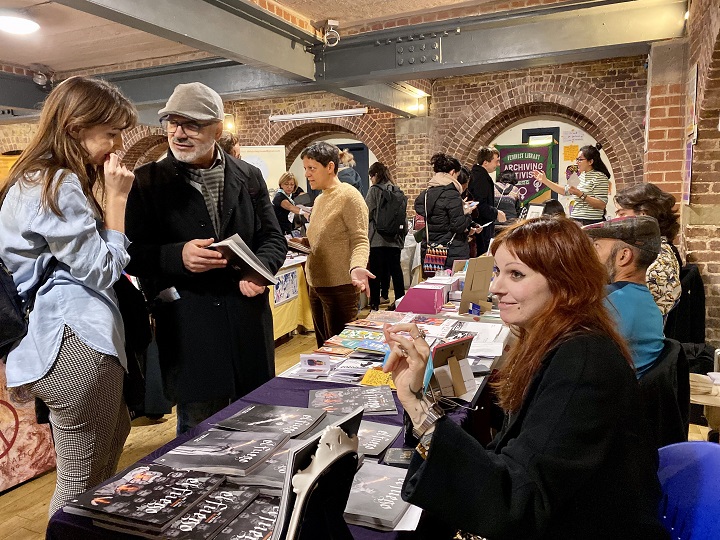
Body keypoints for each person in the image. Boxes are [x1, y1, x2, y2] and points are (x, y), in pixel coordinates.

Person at [382, 217, 666, 539]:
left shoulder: (583, 365)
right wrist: (417, 400)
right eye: (497, 272)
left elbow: (519, 502)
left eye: (515, 274)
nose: (495, 288)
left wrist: (419, 406)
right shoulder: (563, 342)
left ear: (565, 282)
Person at [0, 76, 137, 515]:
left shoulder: (35, 178)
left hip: (67, 343)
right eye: (111, 133)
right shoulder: (55, 182)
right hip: (75, 344)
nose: (118, 145)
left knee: (100, 464)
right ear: (76, 127)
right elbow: (102, 269)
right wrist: (116, 202)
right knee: (80, 486)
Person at [124, 82, 287, 435]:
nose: (179, 133)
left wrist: (261, 272)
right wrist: (176, 255)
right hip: (189, 329)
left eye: (192, 124)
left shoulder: (249, 176)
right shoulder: (146, 183)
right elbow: (129, 253)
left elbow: (272, 238)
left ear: (218, 127)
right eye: (172, 123)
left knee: (258, 427)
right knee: (199, 440)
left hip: (247, 323)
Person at [301, 142, 373, 347]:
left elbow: (360, 239)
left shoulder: (349, 196)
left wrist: (358, 266)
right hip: (316, 285)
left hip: (340, 286)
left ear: (330, 167)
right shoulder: (320, 199)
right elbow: (321, 238)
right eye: (306, 168)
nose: (307, 174)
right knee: (324, 350)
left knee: (342, 350)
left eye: (312, 168)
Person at [584, 216, 665, 377]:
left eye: (597, 247)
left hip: (608, 396)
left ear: (623, 256)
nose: (590, 256)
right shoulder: (644, 300)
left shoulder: (609, 301)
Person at [615, 182, 682, 316]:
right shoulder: (649, 250)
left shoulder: (658, 261)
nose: (616, 220)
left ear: (643, 215)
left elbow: (639, 314)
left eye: (621, 214)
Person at [414, 153, 474, 272]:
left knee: (435, 286)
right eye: (457, 175)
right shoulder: (452, 194)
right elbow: (459, 226)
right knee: (453, 288)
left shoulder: (426, 194)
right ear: (452, 172)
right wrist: (467, 213)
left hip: (432, 251)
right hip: (452, 251)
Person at [532, 143, 610, 225]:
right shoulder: (579, 175)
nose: (577, 162)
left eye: (580, 159)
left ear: (590, 162)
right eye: (577, 159)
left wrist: (580, 194)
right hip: (575, 218)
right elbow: (565, 190)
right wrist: (545, 180)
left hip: (590, 221)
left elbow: (601, 204)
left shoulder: (600, 176)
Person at [365, 161, 406, 311]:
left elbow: (366, 213)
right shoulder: (397, 190)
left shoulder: (374, 190)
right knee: (396, 271)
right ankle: (400, 301)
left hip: (377, 239)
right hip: (395, 239)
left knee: (375, 272)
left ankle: (375, 304)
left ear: (375, 175)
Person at [469, 146, 507, 254]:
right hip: (481, 227)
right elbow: (479, 204)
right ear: (485, 162)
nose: (498, 165)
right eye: (496, 161)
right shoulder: (480, 177)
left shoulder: (480, 175)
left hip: (481, 226)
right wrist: (496, 212)